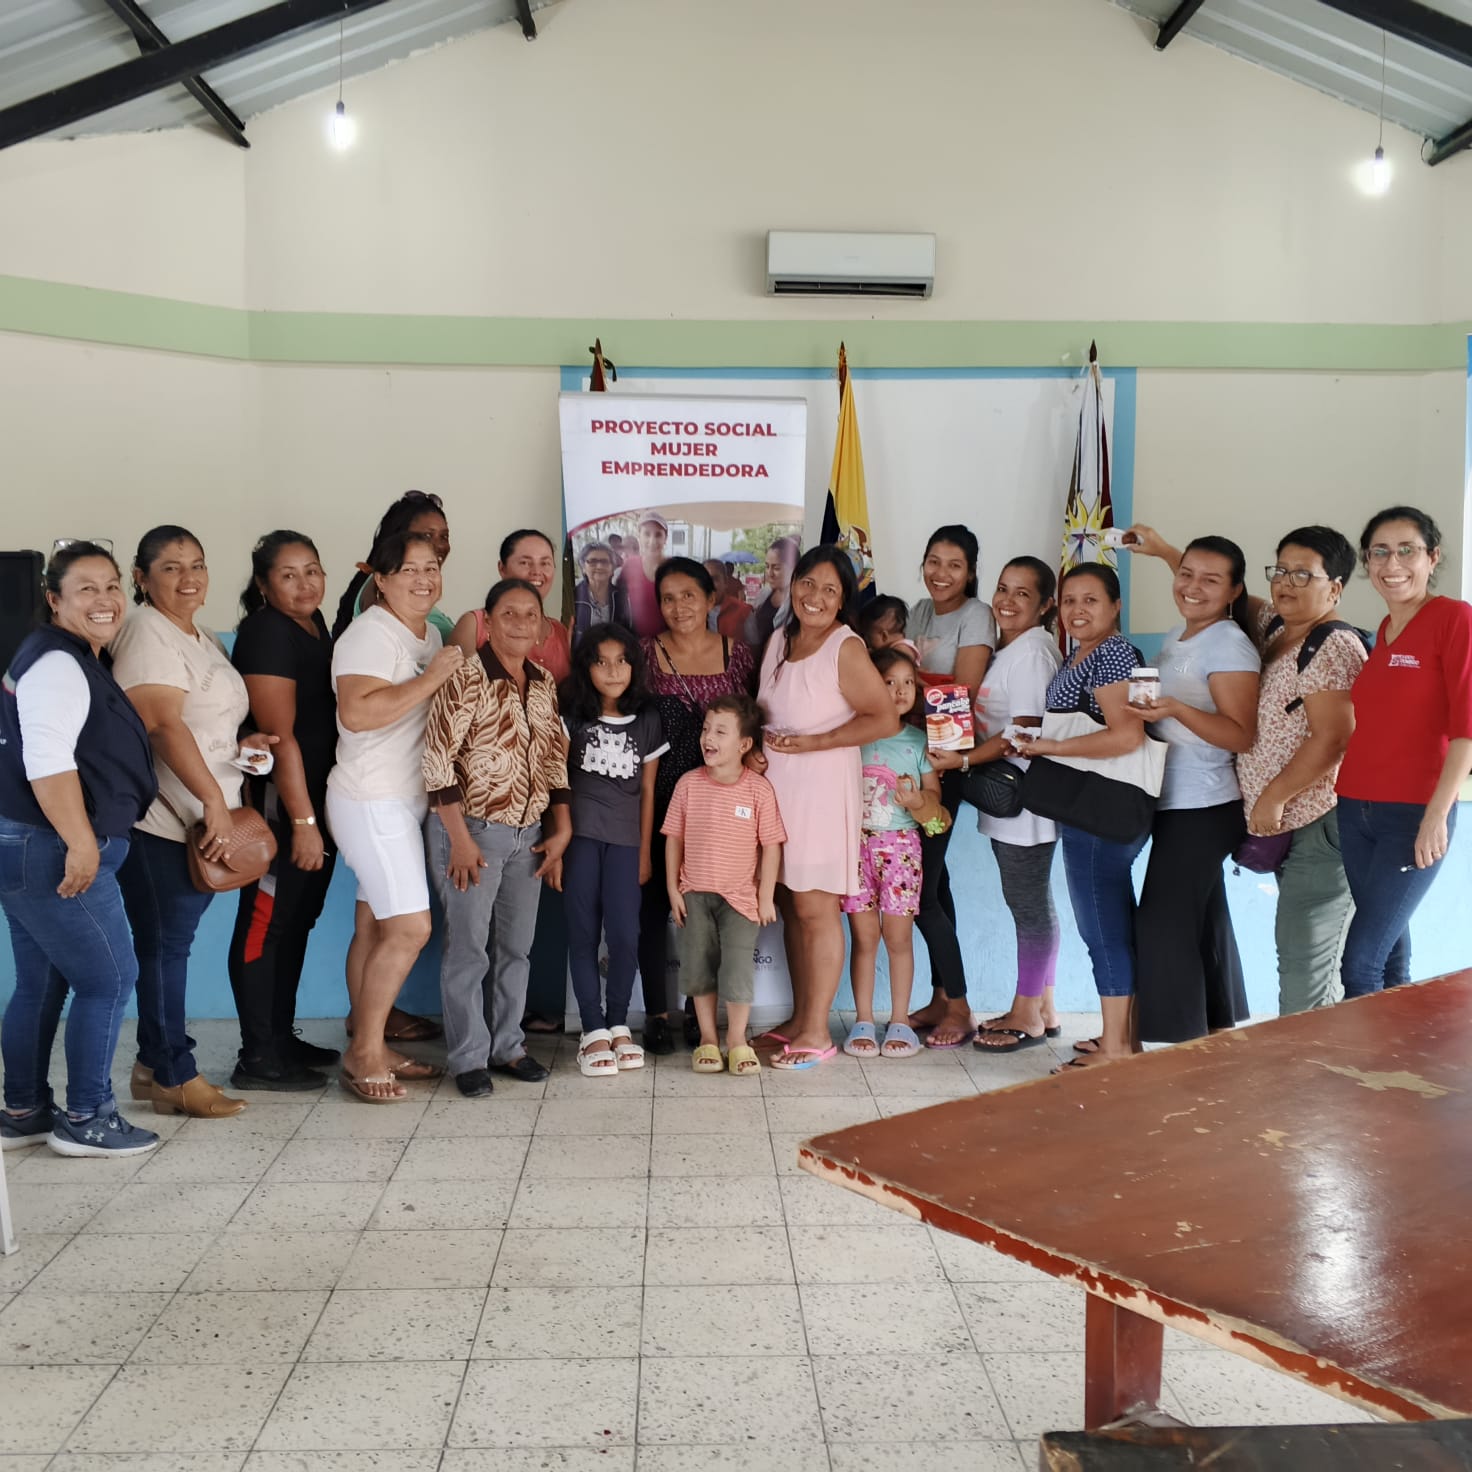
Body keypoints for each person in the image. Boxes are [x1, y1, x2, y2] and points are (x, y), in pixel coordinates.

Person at [0, 543, 162, 1156]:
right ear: (54, 599)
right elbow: (47, 763)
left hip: (28, 845)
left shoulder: (68, 656)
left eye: (111, 585)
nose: (104, 600)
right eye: (86, 588)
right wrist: (80, 843)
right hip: (51, 847)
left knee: (41, 984)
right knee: (110, 978)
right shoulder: (57, 665)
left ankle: (24, 1111)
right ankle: (88, 1118)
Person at [109, 527, 268, 1119]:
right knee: (164, 949)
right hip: (166, 822)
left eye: (196, 564)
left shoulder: (200, 636)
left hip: (203, 817)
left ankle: (152, 1066)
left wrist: (242, 746)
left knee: (171, 945)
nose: (189, 578)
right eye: (171, 567)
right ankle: (175, 1074)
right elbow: (162, 725)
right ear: (142, 578)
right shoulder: (146, 631)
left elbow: (205, 725)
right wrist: (213, 801)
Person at [328, 528, 464, 1102]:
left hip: (403, 800)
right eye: (409, 569)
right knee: (411, 929)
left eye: (431, 567)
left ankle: (372, 1040)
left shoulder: (428, 634)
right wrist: (430, 679)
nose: (424, 579)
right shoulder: (369, 634)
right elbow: (356, 714)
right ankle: (364, 1054)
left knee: (376, 926)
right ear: (380, 580)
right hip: (371, 800)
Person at [424, 578, 572, 1095]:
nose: (521, 624)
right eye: (509, 613)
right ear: (487, 622)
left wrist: (561, 828)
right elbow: (437, 762)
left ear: (542, 627)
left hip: (528, 836)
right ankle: (468, 1058)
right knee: (468, 950)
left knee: (516, 949)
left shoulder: (543, 682)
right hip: (472, 832)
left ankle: (508, 1046)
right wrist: (459, 841)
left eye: (531, 615)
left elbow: (553, 759)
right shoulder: (464, 677)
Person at [759, 545, 899, 1070]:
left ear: (843, 601)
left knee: (816, 911)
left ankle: (818, 1033)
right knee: (792, 905)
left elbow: (883, 718)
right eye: (807, 583)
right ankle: (801, 1018)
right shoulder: (780, 639)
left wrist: (817, 743)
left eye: (829, 589)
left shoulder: (846, 647)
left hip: (819, 789)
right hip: (778, 789)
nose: (814, 597)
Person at [1117, 531, 1260, 1044]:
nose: (1193, 587)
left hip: (1204, 804)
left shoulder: (1228, 644)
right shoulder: (1183, 634)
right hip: (1174, 798)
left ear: (1234, 591)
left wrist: (1175, 709)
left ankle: (1173, 1044)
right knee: (1202, 917)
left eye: (1211, 580)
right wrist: (1161, 551)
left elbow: (1241, 734)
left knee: (1163, 923)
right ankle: (1215, 1028)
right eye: (1186, 574)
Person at [1335, 506, 1472, 998]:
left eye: (1406, 550)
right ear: (1367, 562)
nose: (1392, 564)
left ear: (1432, 557)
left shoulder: (1454, 619)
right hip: (1354, 809)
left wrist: (1437, 815)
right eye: (1380, 552)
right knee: (1390, 956)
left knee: (1360, 963)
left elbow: (1467, 733)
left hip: (1413, 814)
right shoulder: (1383, 632)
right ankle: (1397, 1049)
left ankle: (1365, 1051)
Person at [1016, 564, 1147, 1070]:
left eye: (1091, 600)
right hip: (1089, 808)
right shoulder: (1082, 653)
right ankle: (1122, 1036)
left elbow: (1126, 735)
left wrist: (1049, 747)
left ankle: (1116, 1049)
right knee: (1110, 923)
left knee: (1102, 929)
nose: (1077, 610)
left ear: (1116, 606)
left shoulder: (1112, 654)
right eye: (1069, 600)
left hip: (1100, 811)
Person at [226, 531, 341, 1091]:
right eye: (289, 575)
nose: (304, 584)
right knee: (265, 924)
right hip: (285, 807)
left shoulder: (313, 624)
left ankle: (278, 1036)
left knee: (297, 919)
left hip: (318, 799)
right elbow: (280, 738)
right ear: (263, 584)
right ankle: (257, 1056)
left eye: (311, 570)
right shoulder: (266, 632)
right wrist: (303, 823)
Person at [1236, 528, 1365, 1015]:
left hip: (1320, 823)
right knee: (1304, 957)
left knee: (1305, 964)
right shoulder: (1277, 628)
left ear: (1335, 588)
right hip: (1292, 826)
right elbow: (1219, 583)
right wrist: (1165, 552)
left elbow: (1334, 738)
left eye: (1303, 575)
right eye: (1280, 570)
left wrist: (1273, 797)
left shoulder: (1334, 645)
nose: (1285, 583)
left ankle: (1307, 1061)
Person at [639, 558, 756, 1052]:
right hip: (658, 797)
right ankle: (656, 1013)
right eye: (668, 598)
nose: (678, 606)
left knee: (706, 913)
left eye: (689, 595)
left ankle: (698, 1014)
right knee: (653, 907)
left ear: (711, 599)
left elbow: (753, 723)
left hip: (721, 809)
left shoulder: (739, 656)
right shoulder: (644, 655)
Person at [560, 623, 667, 1077]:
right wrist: (557, 844)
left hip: (626, 843)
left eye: (621, 661)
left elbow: (648, 791)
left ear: (634, 666)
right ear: (586, 668)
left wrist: (644, 852)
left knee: (625, 935)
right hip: (580, 840)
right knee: (583, 934)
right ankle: (592, 1029)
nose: (613, 670)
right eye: (601, 662)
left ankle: (619, 1022)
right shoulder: (572, 715)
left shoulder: (647, 718)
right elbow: (557, 783)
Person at [969, 557, 1066, 1052]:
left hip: (1024, 799)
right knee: (1033, 903)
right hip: (1011, 797)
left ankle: (1027, 1012)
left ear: (1046, 604)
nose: (1007, 601)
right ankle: (1044, 1006)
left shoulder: (1032, 653)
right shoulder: (1015, 648)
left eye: (1022, 594)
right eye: (1003, 588)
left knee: (1027, 907)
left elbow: (1023, 732)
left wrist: (965, 759)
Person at [907, 525, 997, 1047]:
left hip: (947, 763)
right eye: (933, 561)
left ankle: (961, 1008)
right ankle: (942, 996)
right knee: (935, 884)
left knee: (921, 890)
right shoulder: (919, 611)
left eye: (954, 565)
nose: (941, 574)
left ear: (971, 572)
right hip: (912, 760)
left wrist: (907, 684)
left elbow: (960, 697)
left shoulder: (976, 615)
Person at [663, 695, 785, 1076]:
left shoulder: (759, 790)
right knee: (698, 969)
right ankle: (707, 1038)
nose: (708, 738)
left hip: (741, 900)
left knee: (737, 970)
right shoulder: (687, 785)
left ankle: (736, 1040)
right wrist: (673, 889)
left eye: (720, 731)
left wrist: (765, 896)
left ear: (744, 744)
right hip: (694, 895)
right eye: (705, 729)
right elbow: (673, 838)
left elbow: (771, 845)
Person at [840, 645, 933, 1060]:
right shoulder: (852, 738)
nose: (899, 690)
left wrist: (917, 801)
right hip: (856, 847)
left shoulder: (918, 742)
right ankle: (862, 1020)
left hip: (902, 850)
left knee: (898, 938)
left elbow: (934, 800)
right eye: (889, 681)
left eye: (908, 682)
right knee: (864, 938)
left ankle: (899, 1020)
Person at [330, 490, 454, 642]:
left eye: (444, 536)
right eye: (426, 536)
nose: (439, 545)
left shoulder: (418, 605)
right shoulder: (383, 596)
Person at [451, 529, 571, 683]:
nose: (536, 572)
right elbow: (461, 687)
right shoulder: (474, 624)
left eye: (545, 563)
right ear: (502, 568)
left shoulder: (561, 632)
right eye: (525, 563)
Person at [620, 511, 672, 638]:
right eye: (647, 534)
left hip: (669, 642)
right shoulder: (630, 565)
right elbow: (616, 597)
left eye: (658, 535)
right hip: (637, 642)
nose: (652, 541)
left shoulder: (675, 567)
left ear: (665, 538)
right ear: (639, 536)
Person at [745, 535, 799, 651]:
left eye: (776, 568)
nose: (770, 573)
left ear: (793, 568)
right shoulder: (764, 594)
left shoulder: (799, 602)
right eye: (767, 566)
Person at [572, 541, 630, 646]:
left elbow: (629, 634)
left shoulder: (623, 598)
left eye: (604, 562)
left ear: (612, 569)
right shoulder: (573, 598)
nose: (599, 566)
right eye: (592, 561)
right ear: (583, 568)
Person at [705, 558, 753, 640]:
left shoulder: (744, 612)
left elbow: (754, 645)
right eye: (705, 579)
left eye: (715, 579)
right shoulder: (691, 611)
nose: (709, 584)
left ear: (725, 582)